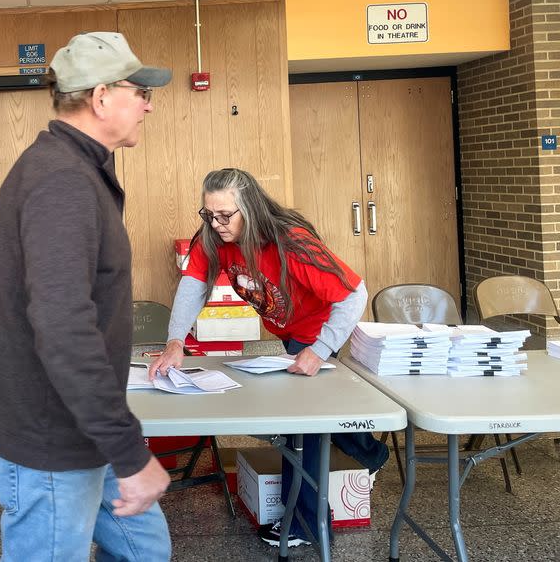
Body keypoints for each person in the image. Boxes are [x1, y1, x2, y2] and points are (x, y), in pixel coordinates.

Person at [0, 32, 173, 562]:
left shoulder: (76, 170)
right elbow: (63, 325)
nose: (148, 104)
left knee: (146, 551)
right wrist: (131, 454)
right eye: (139, 91)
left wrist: (117, 442)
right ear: (102, 96)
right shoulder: (61, 181)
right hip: (52, 438)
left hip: (87, 426)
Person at [148, 168, 388, 549]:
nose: (216, 223)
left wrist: (319, 350)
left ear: (251, 208)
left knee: (305, 426)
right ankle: (371, 452)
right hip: (290, 332)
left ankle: (306, 525)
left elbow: (354, 294)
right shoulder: (212, 237)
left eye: (226, 215)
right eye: (208, 214)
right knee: (317, 416)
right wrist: (175, 341)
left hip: (319, 331)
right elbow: (192, 287)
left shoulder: (290, 242)